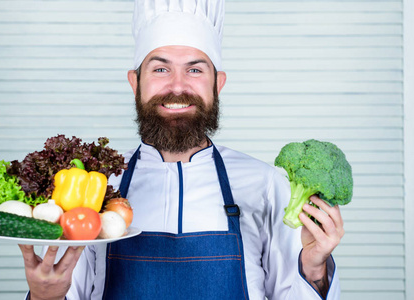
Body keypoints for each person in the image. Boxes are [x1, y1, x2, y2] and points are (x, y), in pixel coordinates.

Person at [19, 0, 344, 299]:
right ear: (135, 83)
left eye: (195, 69)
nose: (177, 86)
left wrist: (314, 269)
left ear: (218, 84)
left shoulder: (266, 184)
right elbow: (64, 290)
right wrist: (45, 295)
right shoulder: (94, 189)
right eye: (160, 69)